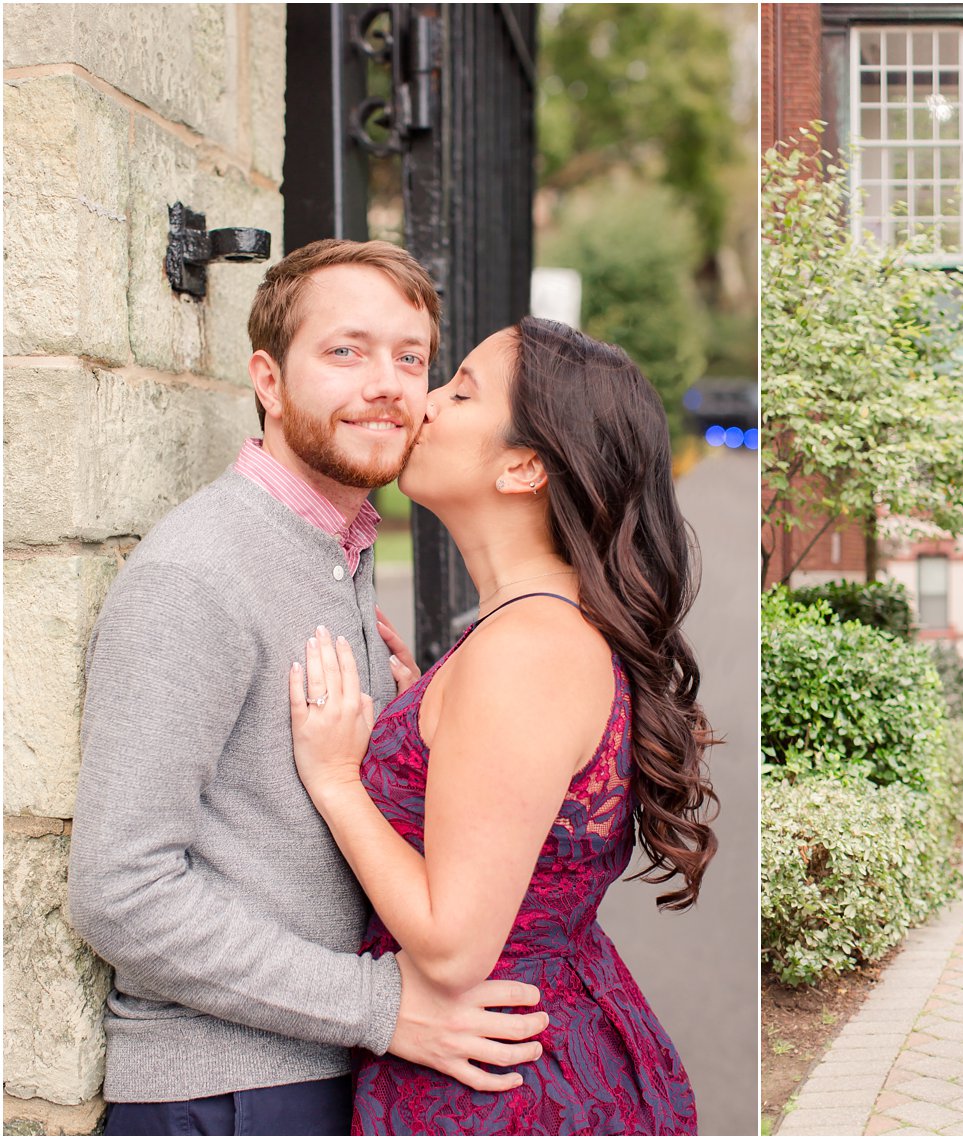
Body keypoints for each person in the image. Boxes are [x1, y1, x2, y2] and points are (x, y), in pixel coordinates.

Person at [68, 240, 544, 1136]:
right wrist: (378, 1003)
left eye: (411, 358)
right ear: (268, 380)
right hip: (225, 1092)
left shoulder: (340, 550)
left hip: (321, 1070)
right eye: (345, 351)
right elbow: (118, 889)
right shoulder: (198, 574)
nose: (389, 384)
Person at [289, 316, 717, 1135]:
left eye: (461, 390)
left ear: (524, 466)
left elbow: (453, 947)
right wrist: (417, 723)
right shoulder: (529, 633)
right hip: (520, 1053)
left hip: (499, 1083)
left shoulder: (527, 650)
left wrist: (341, 781)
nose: (425, 401)